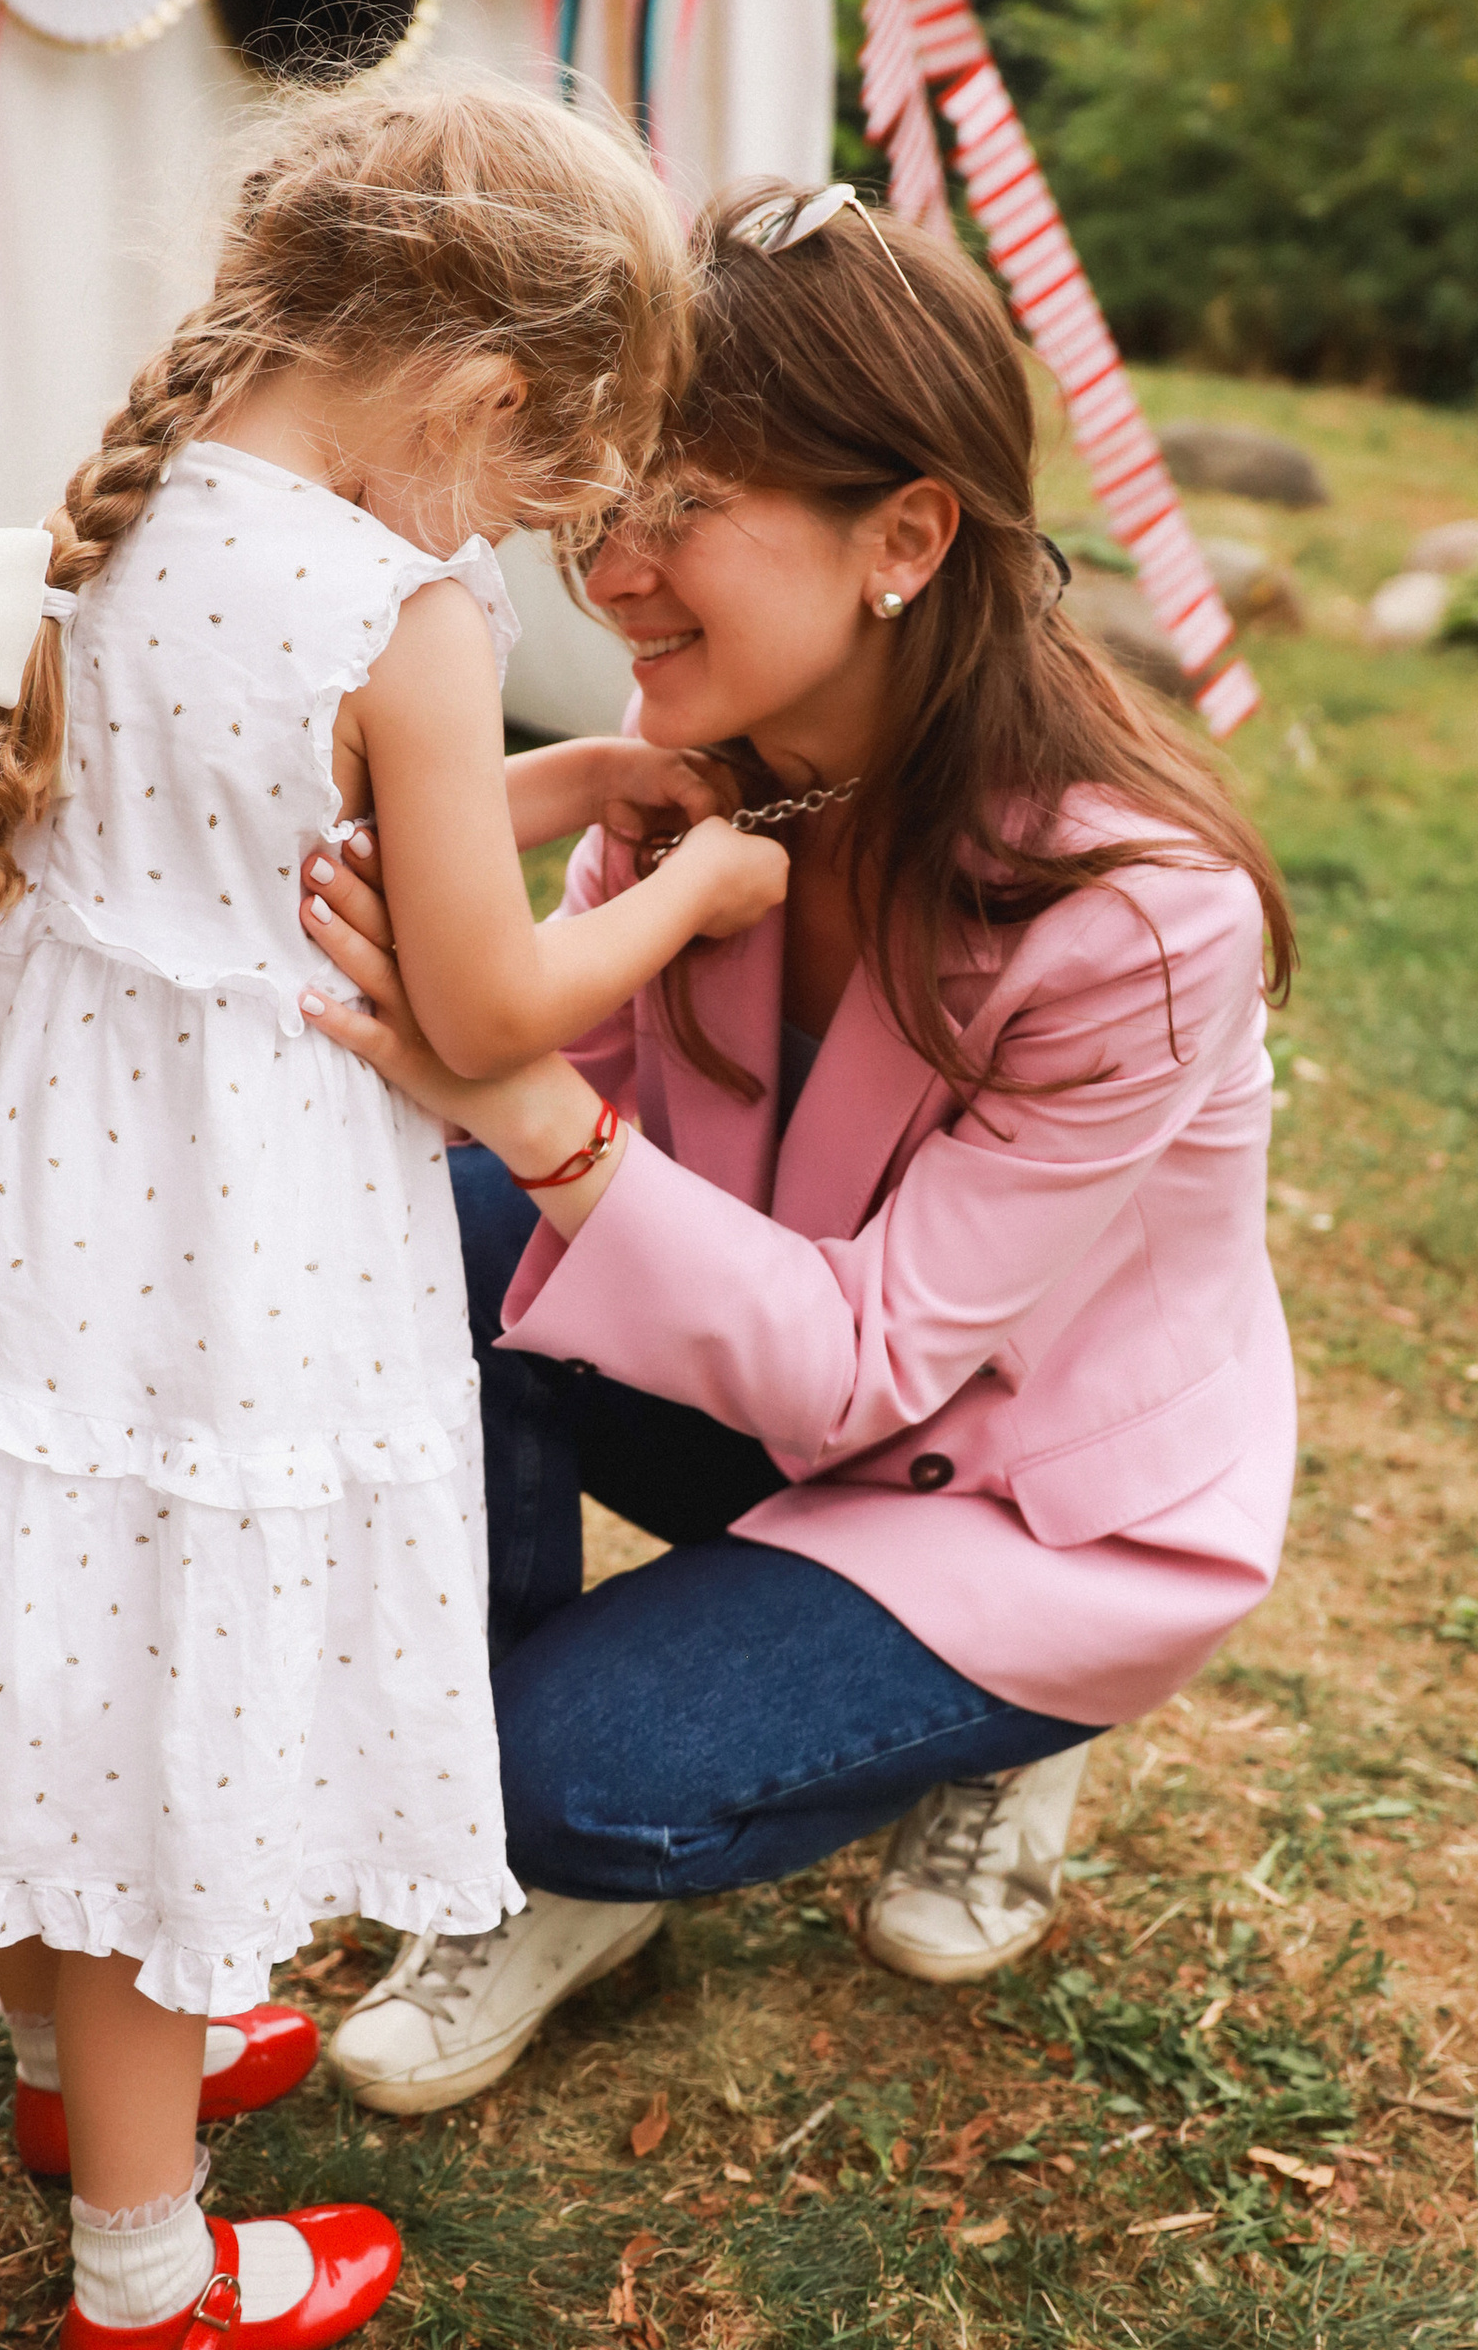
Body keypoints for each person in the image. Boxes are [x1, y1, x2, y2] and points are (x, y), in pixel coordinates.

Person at [0, 85, 787, 2350]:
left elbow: (277, 809)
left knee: (43, 1643)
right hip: (224, 1225)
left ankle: (75, 2089)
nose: (519, 527)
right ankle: (149, 2279)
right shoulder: (406, 599)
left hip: (41, 1184)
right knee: (160, 1699)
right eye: (534, 478)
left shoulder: (144, 497)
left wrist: (561, 793)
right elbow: (474, 999)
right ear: (479, 400)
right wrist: (686, 889)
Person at [296, 181, 1298, 2116]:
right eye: (599, 504)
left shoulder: (1146, 915)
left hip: (1008, 1489)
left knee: (540, 1774)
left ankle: (976, 1729)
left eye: (679, 508)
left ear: (905, 535)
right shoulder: (698, 782)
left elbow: (862, 1357)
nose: (613, 572)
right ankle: (504, 1808)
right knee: (418, 1223)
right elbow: (512, 1092)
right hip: (768, 1378)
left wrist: (516, 1096)